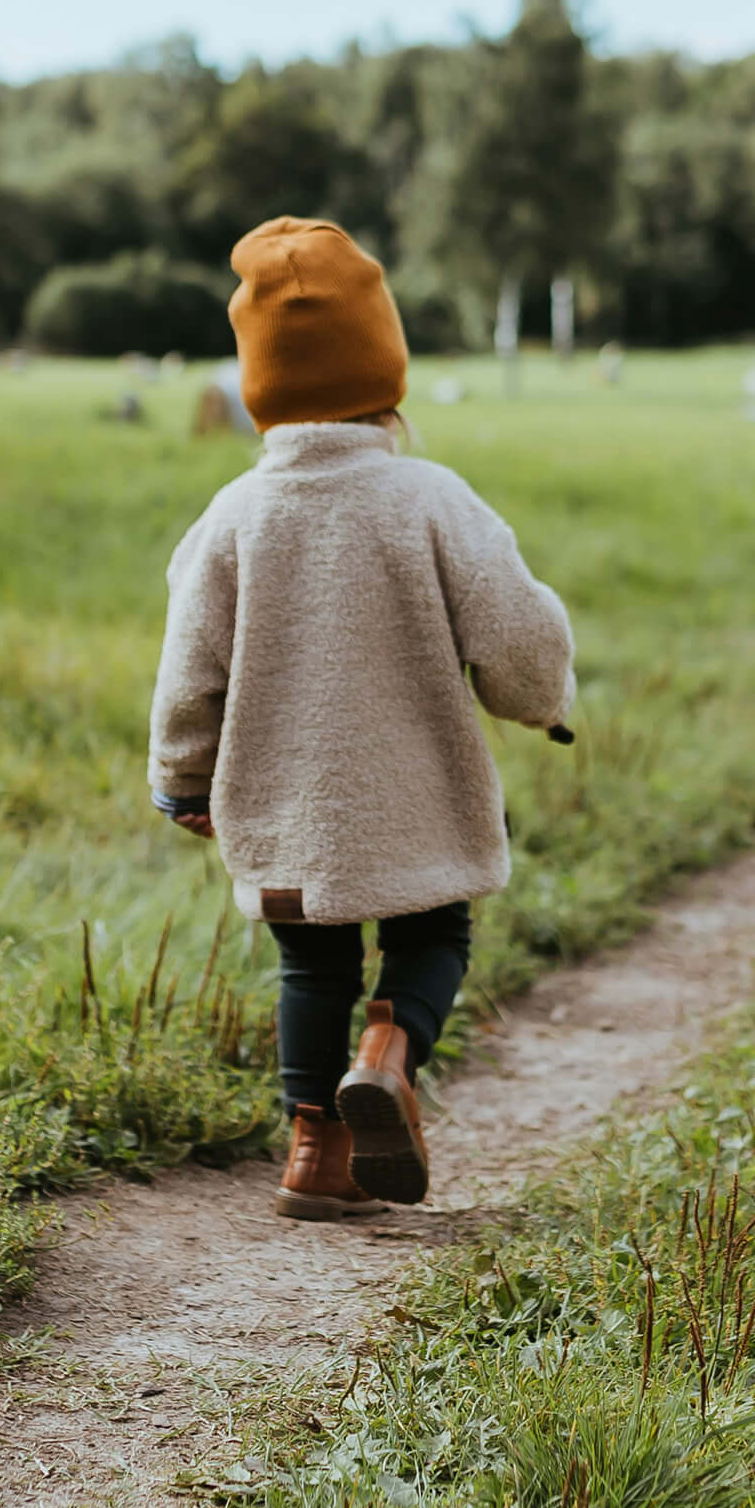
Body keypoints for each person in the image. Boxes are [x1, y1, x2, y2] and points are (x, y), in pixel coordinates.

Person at [147, 217, 576, 1219]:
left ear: (257, 385)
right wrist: (541, 704)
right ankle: (388, 1052)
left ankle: (312, 1155)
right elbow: (517, 632)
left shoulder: (231, 519)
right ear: (387, 367)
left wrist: (183, 778)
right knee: (434, 936)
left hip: (286, 807)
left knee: (310, 965)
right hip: (416, 792)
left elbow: (187, 671)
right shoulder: (431, 498)